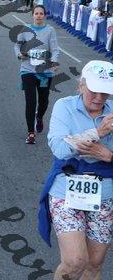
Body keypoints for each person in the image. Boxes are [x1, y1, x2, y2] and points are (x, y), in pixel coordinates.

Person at [38, 60, 113, 280]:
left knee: (94, 263)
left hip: (104, 194)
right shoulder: (65, 106)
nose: (99, 97)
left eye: (105, 92)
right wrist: (98, 133)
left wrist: (109, 157)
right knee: (74, 262)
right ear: (81, 85)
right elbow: (60, 149)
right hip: (66, 190)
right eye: (93, 91)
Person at [14, 5, 59, 144]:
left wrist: (54, 61)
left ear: (44, 16)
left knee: (43, 100)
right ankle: (30, 133)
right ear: (32, 15)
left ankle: (39, 117)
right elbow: (17, 45)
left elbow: (55, 49)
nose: (38, 16)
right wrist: (19, 55)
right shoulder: (25, 30)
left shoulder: (50, 30)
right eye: (36, 13)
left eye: (41, 14)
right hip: (27, 69)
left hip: (44, 72)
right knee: (31, 101)